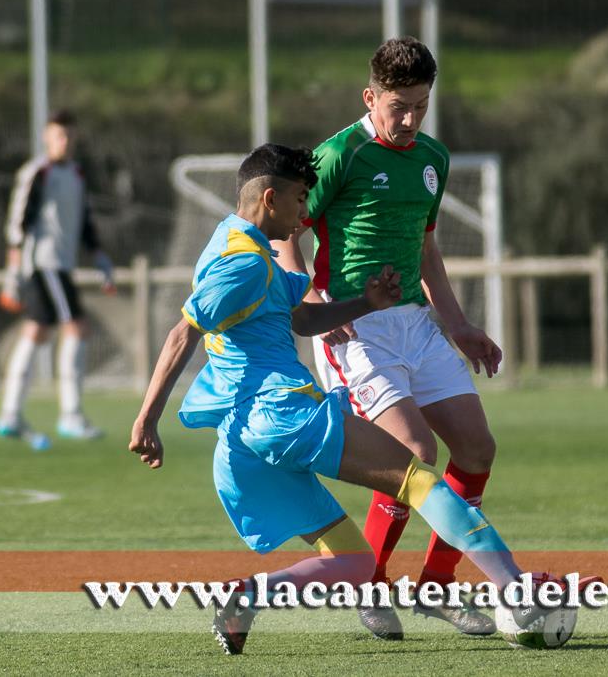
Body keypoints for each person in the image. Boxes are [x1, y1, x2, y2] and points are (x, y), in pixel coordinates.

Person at [128, 144, 550, 655]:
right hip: (284, 414)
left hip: (245, 438)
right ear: (270, 197)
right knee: (419, 479)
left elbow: (302, 319)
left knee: (353, 563)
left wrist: (365, 303)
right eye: (300, 199)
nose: (306, 213)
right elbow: (181, 334)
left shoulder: (235, 243)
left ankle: (248, 595)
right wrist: (147, 420)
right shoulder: (243, 263)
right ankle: (518, 590)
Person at [273, 36, 502, 638]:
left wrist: (458, 325)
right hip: (355, 330)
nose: (409, 119)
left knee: (477, 449)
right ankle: (368, 586)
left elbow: (427, 249)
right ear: (370, 97)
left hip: (415, 326)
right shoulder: (336, 156)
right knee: (415, 455)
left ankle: (435, 585)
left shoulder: (433, 158)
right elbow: (284, 232)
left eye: (421, 106)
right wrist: (313, 297)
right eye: (398, 106)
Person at [0, 109, 115, 448]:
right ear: (47, 137)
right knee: (78, 327)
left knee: (37, 331)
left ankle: (10, 413)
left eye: (69, 135)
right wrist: (12, 272)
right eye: (58, 135)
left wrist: (99, 255)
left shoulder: (76, 174)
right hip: (43, 264)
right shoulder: (38, 172)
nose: (64, 141)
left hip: (60, 265)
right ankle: (71, 415)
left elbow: (84, 221)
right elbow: (19, 220)